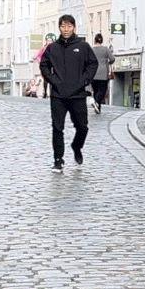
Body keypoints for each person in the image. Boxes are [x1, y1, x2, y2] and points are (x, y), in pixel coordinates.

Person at [38, 15, 98, 172]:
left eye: (69, 26)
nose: (66, 29)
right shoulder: (52, 48)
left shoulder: (83, 46)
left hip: (77, 94)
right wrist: (53, 80)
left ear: (74, 27)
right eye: (63, 26)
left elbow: (93, 64)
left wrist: (84, 81)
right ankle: (58, 160)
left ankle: (77, 146)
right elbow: (44, 65)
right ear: (59, 28)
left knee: (82, 127)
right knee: (57, 128)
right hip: (58, 95)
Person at [90, 33, 115, 114]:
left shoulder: (91, 49)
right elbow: (112, 59)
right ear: (102, 40)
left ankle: (98, 107)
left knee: (96, 90)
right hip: (103, 73)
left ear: (95, 40)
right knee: (102, 90)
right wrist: (108, 61)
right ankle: (97, 102)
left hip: (93, 73)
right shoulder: (105, 49)